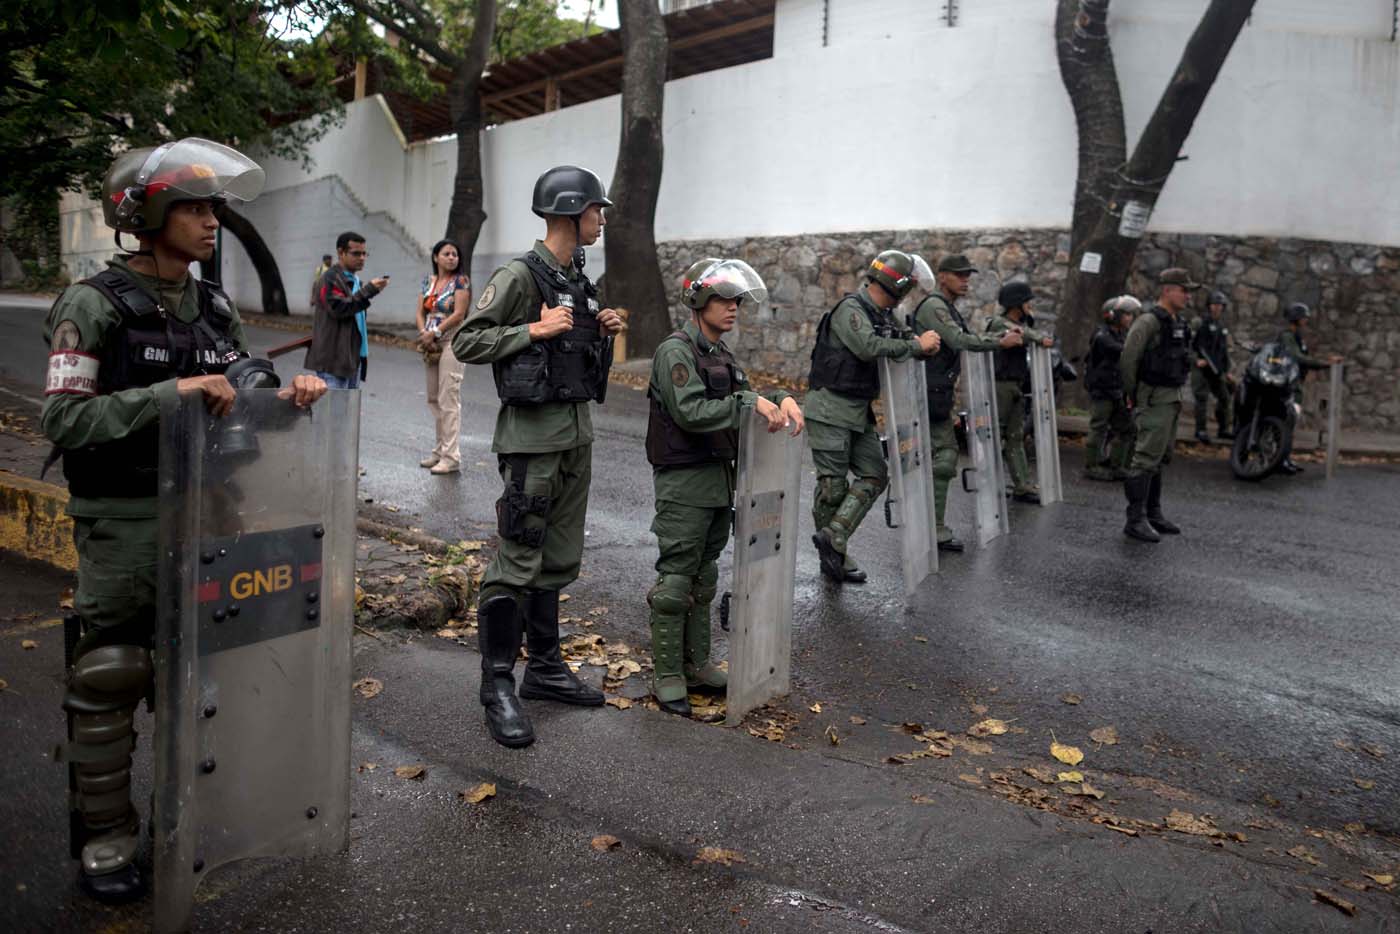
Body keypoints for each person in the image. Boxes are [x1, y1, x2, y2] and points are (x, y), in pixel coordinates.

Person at [40, 138, 327, 902]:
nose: (211, 223)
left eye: (213, 208)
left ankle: (187, 822)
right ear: (149, 214)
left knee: (201, 679)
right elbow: (65, 422)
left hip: (210, 516)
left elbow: (237, 413)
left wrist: (287, 401)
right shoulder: (92, 304)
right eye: (194, 209)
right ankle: (106, 838)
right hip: (126, 518)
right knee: (112, 675)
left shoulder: (215, 308)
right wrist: (175, 396)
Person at [452, 165, 625, 748]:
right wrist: (533, 328)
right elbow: (468, 340)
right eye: (596, 210)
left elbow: (569, 343)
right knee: (518, 558)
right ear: (571, 211)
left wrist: (600, 326)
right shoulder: (521, 275)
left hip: (574, 432)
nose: (602, 219)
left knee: (554, 556)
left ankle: (545, 669)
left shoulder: (575, 275)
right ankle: (496, 684)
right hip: (532, 440)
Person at [644, 258, 803, 716]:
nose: (732, 308)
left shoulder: (722, 356)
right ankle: (668, 674)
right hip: (684, 481)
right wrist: (750, 402)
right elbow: (691, 411)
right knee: (676, 579)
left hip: (718, 480)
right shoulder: (676, 352)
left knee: (705, 577)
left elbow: (750, 399)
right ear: (698, 301)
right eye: (722, 299)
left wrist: (783, 400)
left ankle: (696, 666)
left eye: (737, 301)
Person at [806, 250, 940, 584]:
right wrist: (916, 346)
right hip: (830, 409)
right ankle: (834, 558)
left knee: (875, 475)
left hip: (857, 410)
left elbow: (903, 340)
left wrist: (922, 347)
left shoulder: (883, 314)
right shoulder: (852, 309)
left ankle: (834, 536)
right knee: (832, 487)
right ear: (899, 287)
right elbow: (867, 346)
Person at [908, 254, 1023, 551]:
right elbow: (959, 341)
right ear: (942, 276)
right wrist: (999, 342)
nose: (965, 280)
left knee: (942, 459)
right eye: (959, 275)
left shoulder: (947, 308)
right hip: (926, 395)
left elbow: (965, 339)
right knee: (941, 459)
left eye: (967, 275)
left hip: (937, 395)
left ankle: (932, 526)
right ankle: (930, 528)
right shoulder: (935, 306)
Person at [1119, 267, 1196, 543]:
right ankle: (1135, 519)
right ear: (1167, 290)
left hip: (1171, 397)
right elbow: (1129, 359)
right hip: (1153, 398)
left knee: (1160, 456)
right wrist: (1133, 394)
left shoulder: (1177, 322)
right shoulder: (1148, 322)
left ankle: (1153, 513)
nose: (1188, 295)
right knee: (1145, 457)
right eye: (1183, 289)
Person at [985, 282, 1055, 504]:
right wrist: (1035, 336)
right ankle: (988, 484)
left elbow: (1027, 332)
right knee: (995, 436)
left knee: (1015, 437)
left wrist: (1031, 326)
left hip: (1015, 385)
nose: (1029, 305)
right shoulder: (999, 323)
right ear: (1016, 303)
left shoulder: (1021, 324)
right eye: (1026, 302)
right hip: (1000, 385)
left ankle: (1022, 485)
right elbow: (1019, 335)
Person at [305, 231, 388, 389]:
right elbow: (340, 308)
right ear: (341, 253)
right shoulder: (330, 279)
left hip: (351, 360)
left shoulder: (355, 281)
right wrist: (369, 290)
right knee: (334, 412)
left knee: (347, 412)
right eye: (356, 253)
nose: (362, 258)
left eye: (364, 253)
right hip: (332, 362)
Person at [416, 239, 470, 474]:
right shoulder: (428, 281)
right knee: (433, 397)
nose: (452, 258)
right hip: (430, 342)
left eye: (455, 254)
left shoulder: (461, 281)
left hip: (451, 341)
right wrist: (424, 333)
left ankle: (451, 456)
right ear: (436, 257)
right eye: (446, 254)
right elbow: (420, 311)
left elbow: (459, 313)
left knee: (449, 397)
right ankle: (439, 451)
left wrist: (436, 332)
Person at [1275, 302, 1344, 475]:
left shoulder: (1296, 336)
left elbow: (1305, 357)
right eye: (1303, 317)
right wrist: (1324, 363)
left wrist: (1324, 361)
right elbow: (1298, 358)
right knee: (1285, 422)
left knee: (1290, 424)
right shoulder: (1287, 336)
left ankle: (1284, 458)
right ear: (1295, 318)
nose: (1306, 320)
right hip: (1287, 385)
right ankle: (1278, 459)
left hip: (1296, 384)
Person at [1083, 295, 1139, 481]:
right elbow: (1120, 350)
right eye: (1126, 315)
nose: (1130, 318)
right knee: (1098, 427)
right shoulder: (1102, 336)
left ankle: (1117, 465)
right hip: (1103, 390)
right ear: (1114, 315)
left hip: (1116, 390)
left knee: (1127, 429)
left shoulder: (1120, 334)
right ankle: (1091, 466)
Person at [1190, 290, 1235, 443]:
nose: (1217, 308)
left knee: (1225, 397)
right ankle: (1200, 430)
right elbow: (1190, 345)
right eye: (1214, 305)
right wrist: (1196, 360)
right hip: (1202, 367)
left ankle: (1223, 429)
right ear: (1209, 306)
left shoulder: (1221, 326)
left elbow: (1223, 351)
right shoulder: (1199, 322)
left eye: (1220, 305)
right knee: (1201, 398)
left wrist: (1227, 370)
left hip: (1216, 368)